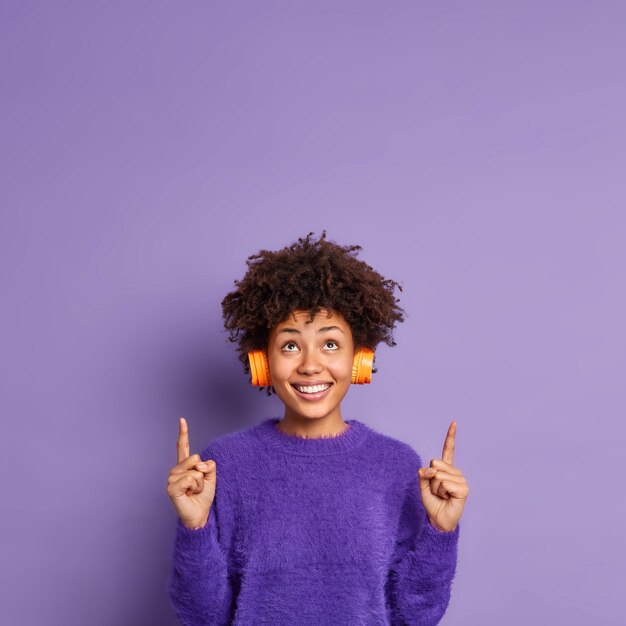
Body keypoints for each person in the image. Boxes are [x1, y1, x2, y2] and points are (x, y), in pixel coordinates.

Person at [166, 231, 469, 625]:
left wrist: (440, 532)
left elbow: (414, 616)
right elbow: (203, 617)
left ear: (359, 359)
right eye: (290, 346)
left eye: (330, 344)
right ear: (263, 362)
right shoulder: (222, 465)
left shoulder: (397, 465)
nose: (310, 365)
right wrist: (195, 526)